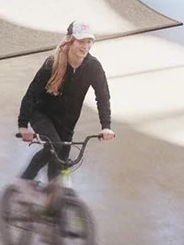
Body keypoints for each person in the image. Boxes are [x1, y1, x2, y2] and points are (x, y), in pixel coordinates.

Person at [15, 21, 113, 196]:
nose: (86, 46)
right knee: (55, 145)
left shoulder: (93, 66)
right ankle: (25, 180)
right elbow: (31, 93)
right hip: (41, 114)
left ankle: (53, 210)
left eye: (89, 41)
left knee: (60, 164)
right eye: (81, 41)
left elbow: (103, 96)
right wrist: (23, 125)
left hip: (67, 122)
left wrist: (106, 125)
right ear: (70, 41)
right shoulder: (52, 63)